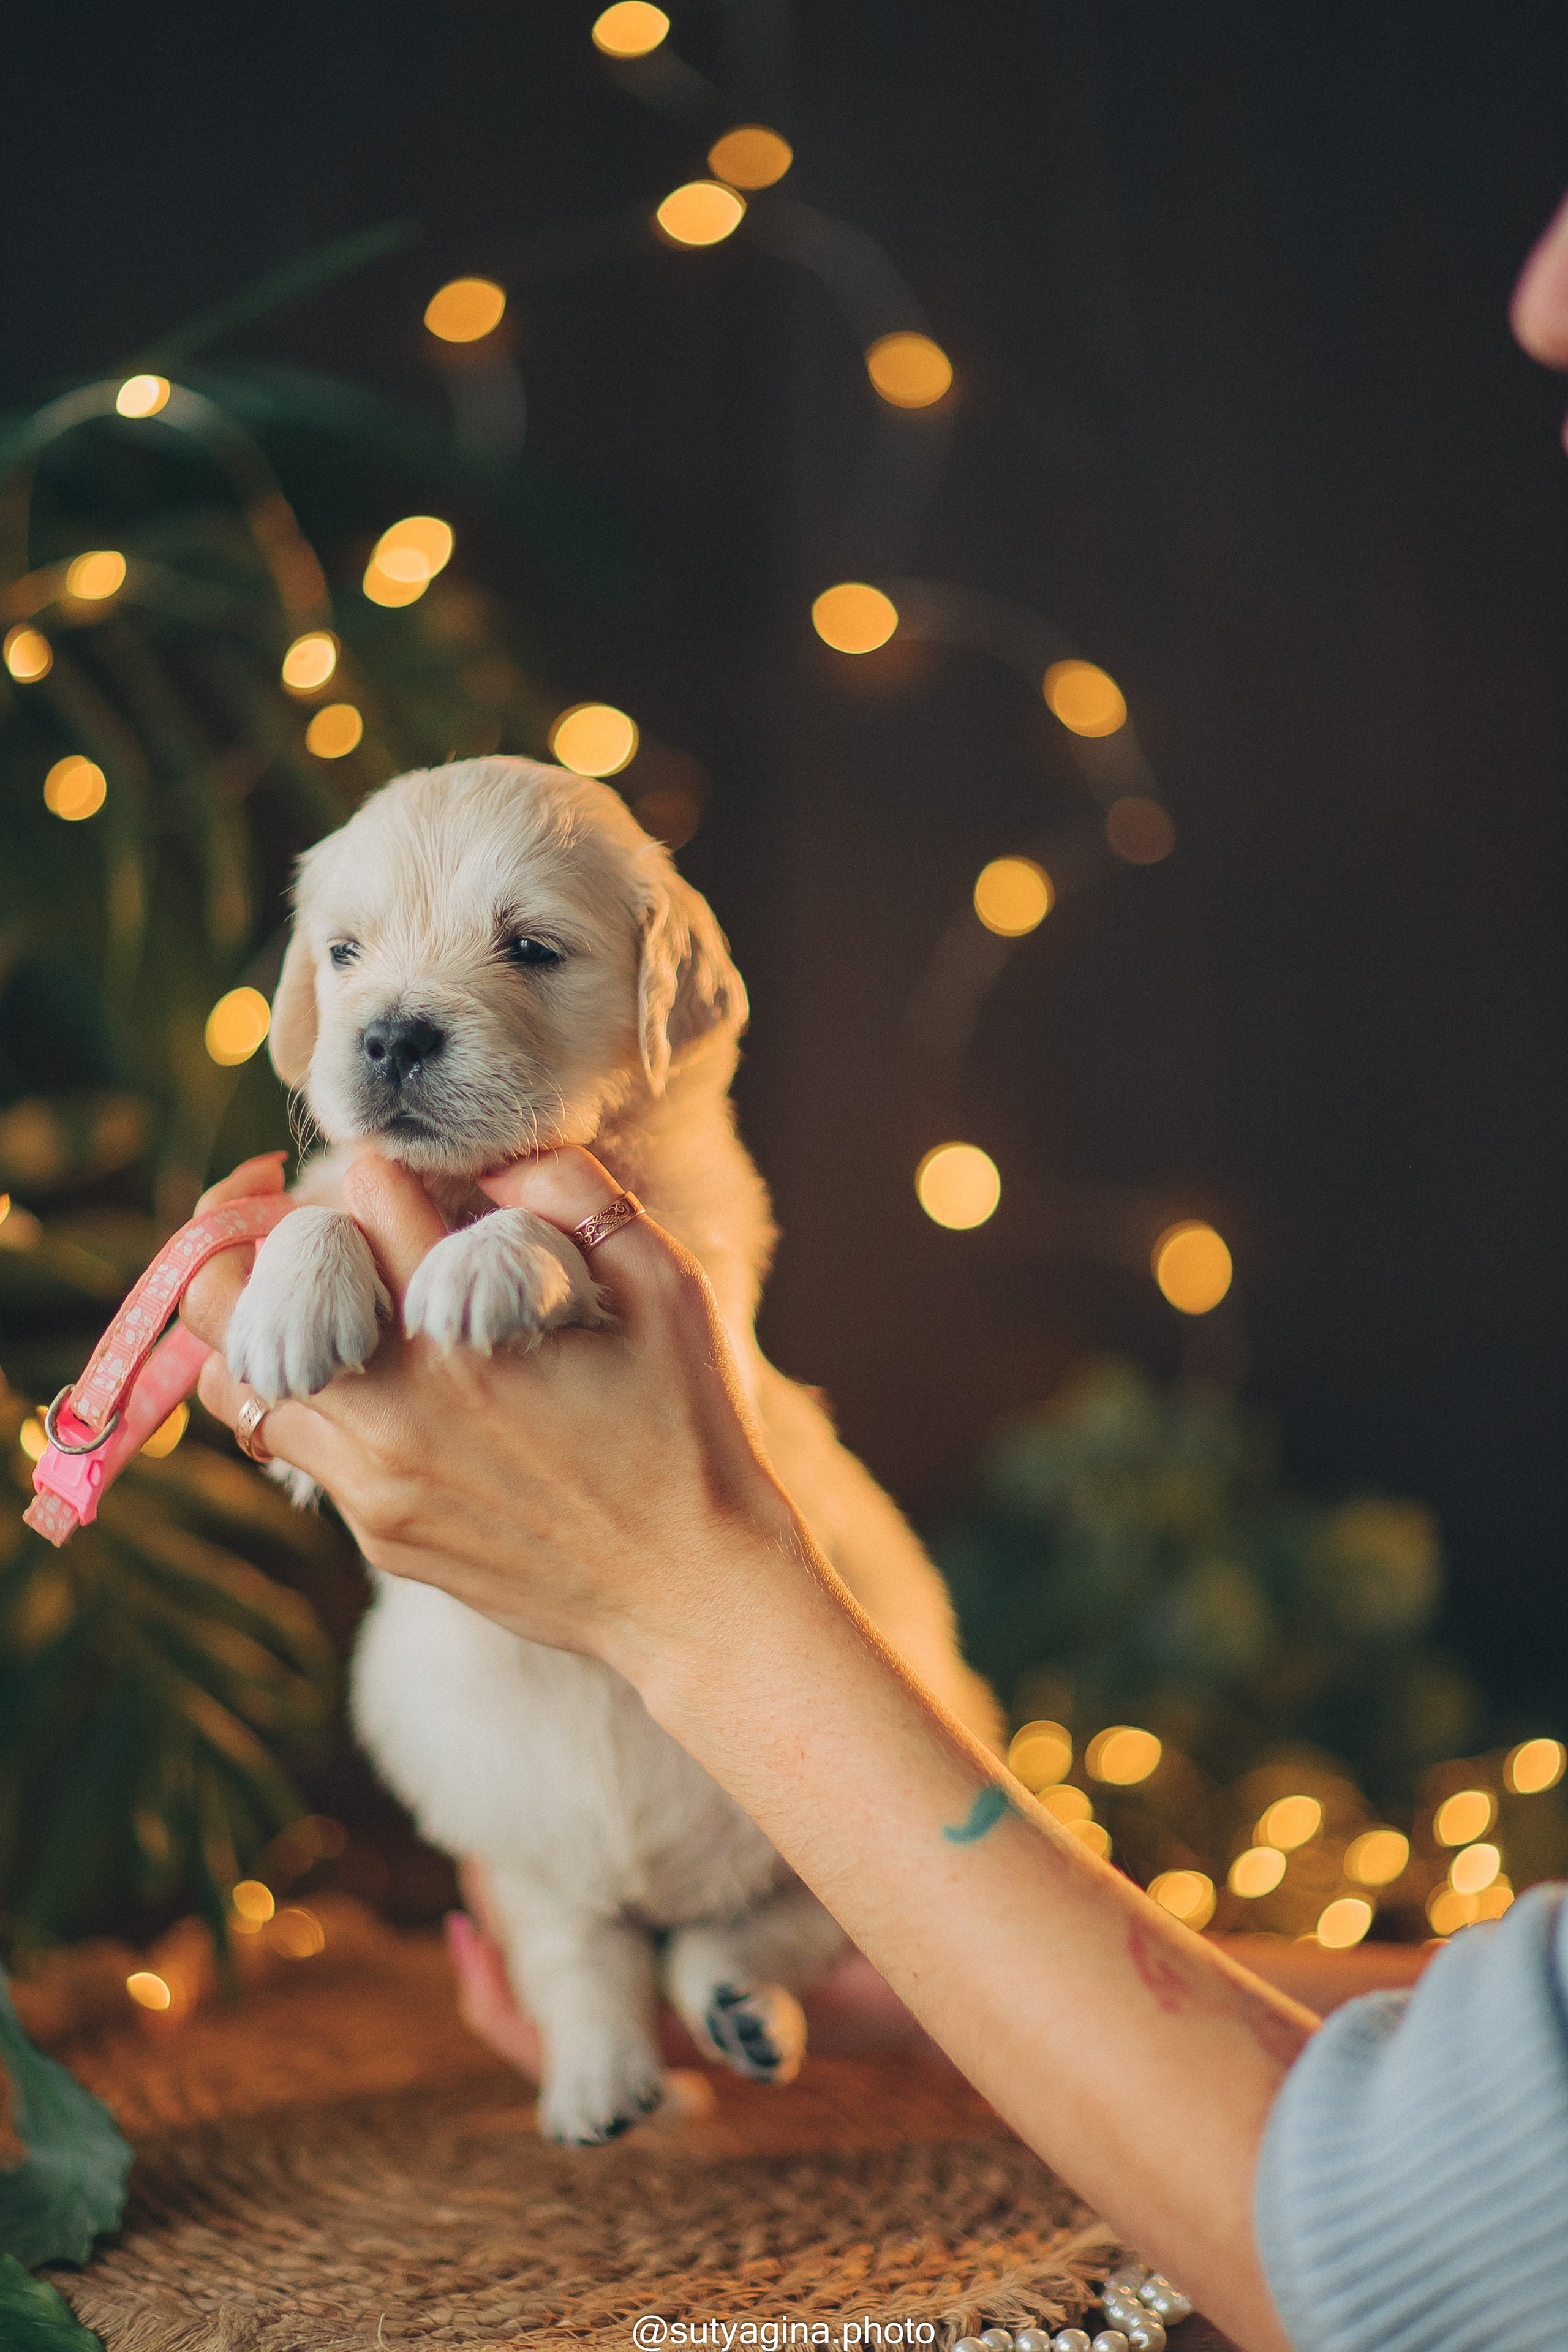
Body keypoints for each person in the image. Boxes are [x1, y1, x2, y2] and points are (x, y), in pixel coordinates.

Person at [176, 201, 1568, 2352]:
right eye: (348, 957)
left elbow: (1418, 2262)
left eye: (527, 958)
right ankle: (654, 1980)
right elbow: (1506, 2089)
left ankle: (726, 1955)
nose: (1542, 291)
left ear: (654, 1007)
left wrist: (669, 1582)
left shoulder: (641, 1184)